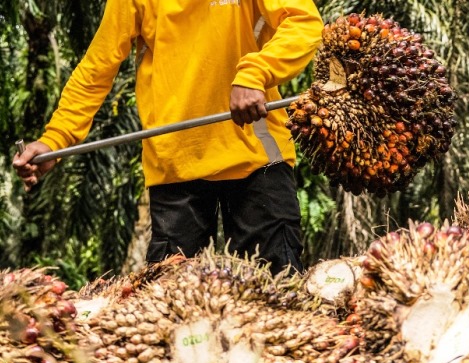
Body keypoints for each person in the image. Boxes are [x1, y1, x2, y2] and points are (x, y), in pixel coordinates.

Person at [12, 0, 324, 276]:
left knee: (275, 298)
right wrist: (55, 139)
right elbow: (97, 68)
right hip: (175, 166)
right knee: (169, 313)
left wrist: (255, 73)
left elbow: (304, 22)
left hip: (258, 159)